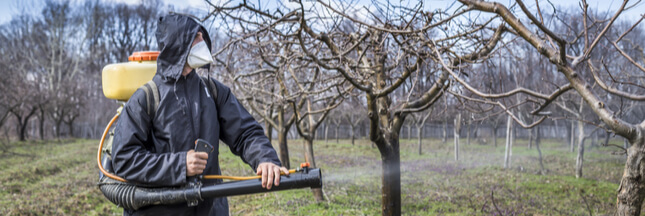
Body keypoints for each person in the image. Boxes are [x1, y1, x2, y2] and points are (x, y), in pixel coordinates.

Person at [111, 14, 288, 216]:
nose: (203, 42)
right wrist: (179, 165)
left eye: (202, 36)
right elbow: (124, 159)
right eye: (196, 37)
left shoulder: (212, 91)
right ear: (179, 44)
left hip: (210, 210)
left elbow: (245, 132)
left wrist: (265, 159)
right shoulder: (146, 99)